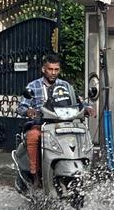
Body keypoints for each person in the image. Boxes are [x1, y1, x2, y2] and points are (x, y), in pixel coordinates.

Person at [16, 53, 91, 182]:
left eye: (56, 69)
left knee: (82, 132)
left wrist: (87, 107)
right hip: (42, 124)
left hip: (64, 124)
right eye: (50, 69)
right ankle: (35, 175)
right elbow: (21, 107)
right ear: (43, 69)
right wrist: (28, 111)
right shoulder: (33, 86)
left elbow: (79, 101)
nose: (53, 72)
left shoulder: (66, 86)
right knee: (33, 136)